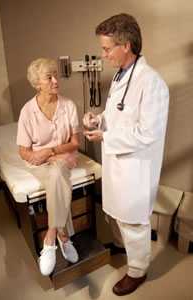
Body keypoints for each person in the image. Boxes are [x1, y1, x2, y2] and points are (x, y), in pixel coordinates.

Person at [83, 13, 169, 296]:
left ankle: (138, 271)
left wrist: (106, 136)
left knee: (133, 222)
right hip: (119, 164)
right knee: (121, 218)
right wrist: (99, 120)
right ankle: (130, 254)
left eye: (107, 48)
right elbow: (119, 113)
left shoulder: (151, 82)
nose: (103, 54)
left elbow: (148, 133)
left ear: (127, 45)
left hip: (136, 168)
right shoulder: (123, 76)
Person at [17, 58, 80, 276]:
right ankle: (64, 236)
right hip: (41, 164)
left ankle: (50, 237)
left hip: (62, 158)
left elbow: (75, 143)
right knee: (56, 176)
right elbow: (23, 150)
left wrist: (51, 151)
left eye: (56, 75)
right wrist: (37, 155)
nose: (55, 80)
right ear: (37, 84)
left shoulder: (68, 105)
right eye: (49, 77)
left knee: (58, 171)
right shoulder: (27, 111)